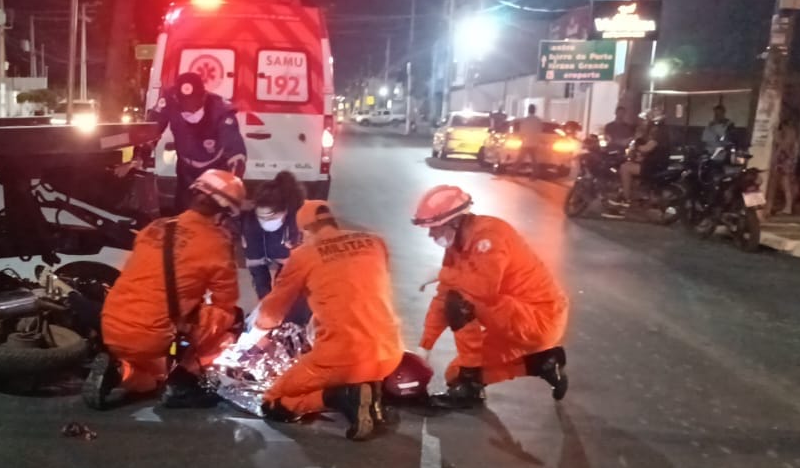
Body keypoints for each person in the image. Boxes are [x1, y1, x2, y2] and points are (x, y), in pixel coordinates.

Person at [242, 199, 407, 440]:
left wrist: (254, 335)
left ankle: (340, 397)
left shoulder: (304, 255)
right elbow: (358, 290)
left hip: (342, 358)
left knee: (272, 401)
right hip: (391, 353)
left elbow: (273, 310)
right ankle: (371, 397)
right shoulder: (375, 242)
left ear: (306, 231)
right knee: (360, 357)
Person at [85, 169, 248, 410]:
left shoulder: (156, 226)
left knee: (153, 378)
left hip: (111, 324)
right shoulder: (216, 243)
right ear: (223, 212)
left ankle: (120, 372)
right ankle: (183, 383)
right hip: (152, 335)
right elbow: (225, 300)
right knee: (232, 318)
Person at [412, 185, 570, 408]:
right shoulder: (458, 243)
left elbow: (484, 288)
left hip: (540, 317)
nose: (431, 234)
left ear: (455, 222)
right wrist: (424, 348)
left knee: (462, 299)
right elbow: (443, 296)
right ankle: (542, 363)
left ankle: (469, 383)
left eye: (434, 228)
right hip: (512, 319)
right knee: (453, 375)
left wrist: (440, 274)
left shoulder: (491, 235)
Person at [151, 71, 248, 214]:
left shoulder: (220, 109)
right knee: (183, 213)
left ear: (203, 97)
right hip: (186, 170)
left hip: (215, 170)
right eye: (184, 105)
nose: (189, 110)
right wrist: (139, 155)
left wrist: (232, 183)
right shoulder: (169, 101)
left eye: (194, 105)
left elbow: (236, 150)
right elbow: (151, 128)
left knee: (212, 215)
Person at [241, 172, 311, 325]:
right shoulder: (250, 225)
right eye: (262, 217)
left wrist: (279, 304)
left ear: (285, 211)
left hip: (296, 268)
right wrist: (265, 302)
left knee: (295, 304)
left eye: (271, 217)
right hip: (276, 256)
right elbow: (257, 268)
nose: (266, 221)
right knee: (267, 307)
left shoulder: (298, 226)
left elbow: (292, 277)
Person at [619, 111, 670, 203]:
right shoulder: (661, 131)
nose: (645, 122)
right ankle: (635, 192)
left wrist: (636, 146)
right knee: (630, 163)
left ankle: (626, 198)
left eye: (646, 120)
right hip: (656, 164)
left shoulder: (658, 133)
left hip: (654, 166)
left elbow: (646, 148)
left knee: (624, 168)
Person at [770, 108, 800, 217]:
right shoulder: (788, 131)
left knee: (786, 184)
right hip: (784, 160)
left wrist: (776, 136)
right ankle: (784, 206)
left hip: (786, 161)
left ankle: (788, 207)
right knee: (780, 184)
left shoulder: (789, 131)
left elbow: (785, 146)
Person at [514, 104, 546, 175]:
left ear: (529, 110)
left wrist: (521, 138)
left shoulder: (525, 120)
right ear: (535, 111)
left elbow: (522, 131)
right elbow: (540, 130)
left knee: (520, 158)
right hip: (534, 143)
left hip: (526, 142)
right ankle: (535, 174)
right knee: (534, 160)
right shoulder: (538, 120)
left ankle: (514, 171)